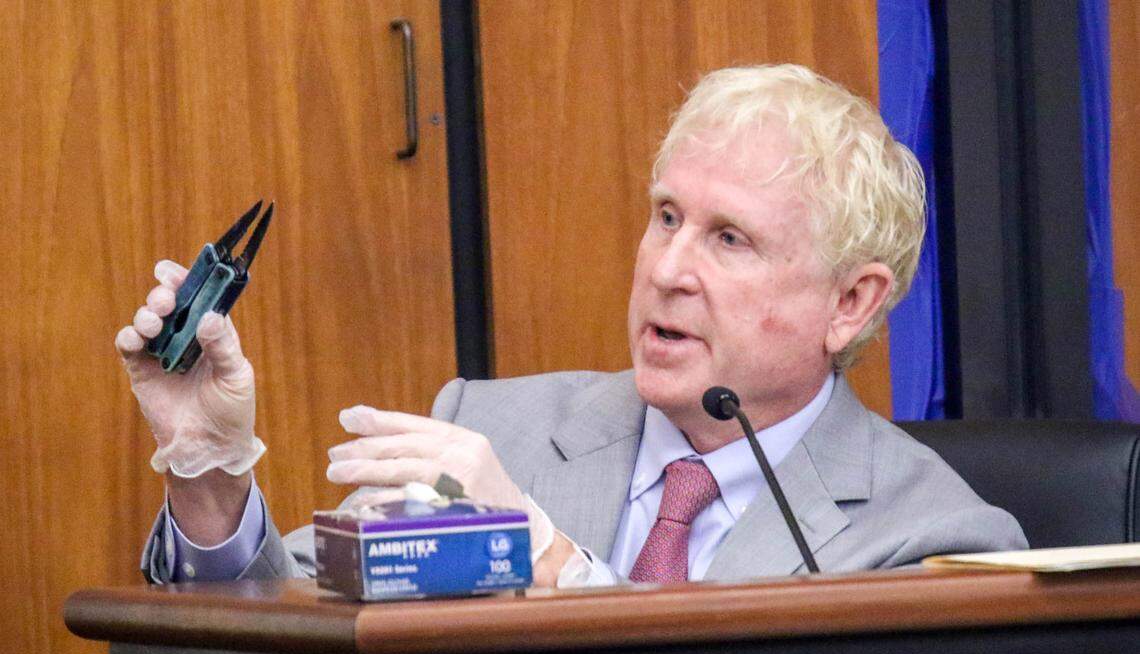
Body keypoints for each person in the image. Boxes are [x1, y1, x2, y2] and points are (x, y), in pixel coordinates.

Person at [117, 64, 1027, 588]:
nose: (668, 270)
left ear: (851, 304)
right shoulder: (488, 430)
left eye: (730, 239)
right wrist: (211, 475)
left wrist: (548, 559)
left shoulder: (938, 540)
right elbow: (279, 649)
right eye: (666, 217)